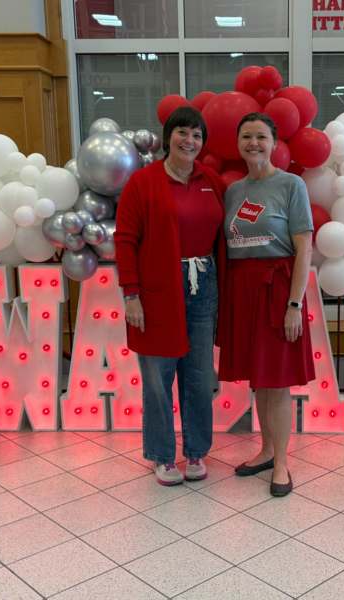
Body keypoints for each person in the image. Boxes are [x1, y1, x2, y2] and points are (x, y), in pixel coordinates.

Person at [115, 106, 226, 486]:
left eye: (197, 135)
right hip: (158, 289)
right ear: (168, 137)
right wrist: (131, 294)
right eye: (183, 132)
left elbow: (224, 238)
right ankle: (162, 456)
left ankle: (196, 451)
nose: (189, 140)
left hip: (203, 286)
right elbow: (125, 241)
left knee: (197, 376)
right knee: (158, 378)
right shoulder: (142, 183)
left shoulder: (211, 180)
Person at [219, 112, 315, 497]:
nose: (254, 143)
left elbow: (304, 247)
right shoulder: (232, 190)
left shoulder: (291, 185)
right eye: (247, 137)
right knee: (259, 380)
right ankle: (265, 449)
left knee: (276, 382)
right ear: (238, 143)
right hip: (243, 290)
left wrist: (294, 304)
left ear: (274, 143)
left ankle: (281, 464)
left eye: (261, 136)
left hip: (277, 290)